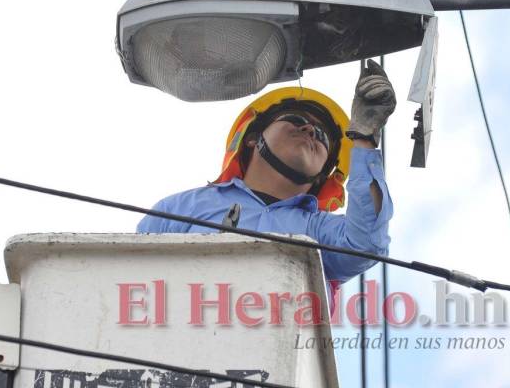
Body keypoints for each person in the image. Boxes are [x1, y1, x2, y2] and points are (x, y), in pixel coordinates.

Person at [137, 59, 395, 288]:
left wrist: (363, 137)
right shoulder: (182, 207)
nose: (309, 130)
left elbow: (365, 246)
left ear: (322, 175)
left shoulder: (319, 230)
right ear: (252, 139)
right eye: (295, 119)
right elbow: (127, 275)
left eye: (322, 136)